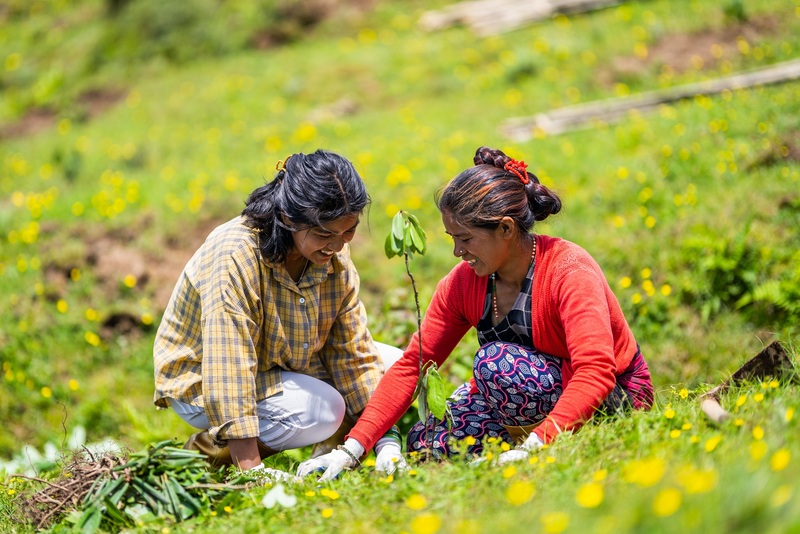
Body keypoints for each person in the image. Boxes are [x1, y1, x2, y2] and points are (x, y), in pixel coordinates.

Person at [300, 146, 654, 480]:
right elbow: (413, 365)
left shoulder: (569, 271)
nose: (457, 251)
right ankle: (513, 442)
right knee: (426, 443)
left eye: (466, 238)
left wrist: (537, 445)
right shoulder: (464, 284)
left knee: (496, 362)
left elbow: (595, 370)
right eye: (452, 237)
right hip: (525, 393)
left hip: (611, 398)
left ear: (505, 228)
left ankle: (547, 440)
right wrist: (352, 449)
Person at [153, 149, 404, 473]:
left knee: (394, 367)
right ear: (288, 218)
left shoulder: (333, 255)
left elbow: (352, 351)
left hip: (279, 360)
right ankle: (199, 459)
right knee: (321, 411)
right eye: (324, 234)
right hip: (204, 378)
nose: (338, 245)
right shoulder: (236, 254)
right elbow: (230, 365)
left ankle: (331, 457)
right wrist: (252, 470)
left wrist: (386, 442)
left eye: (348, 231)